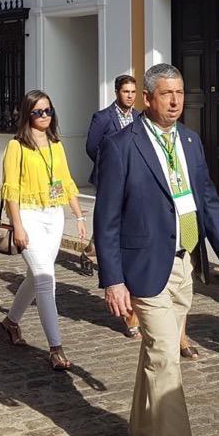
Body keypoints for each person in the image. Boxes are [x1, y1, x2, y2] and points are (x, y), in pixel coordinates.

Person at [93, 63, 219, 436]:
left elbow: (207, 201)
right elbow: (107, 220)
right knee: (167, 361)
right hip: (143, 268)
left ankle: (142, 435)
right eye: (166, 94)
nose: (176, 101)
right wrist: (113, 279)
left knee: (155, 354)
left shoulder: (192, 142)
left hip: (183, 266)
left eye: (179, 92)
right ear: (147, 98)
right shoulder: (122, 147)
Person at [0, 90, 85, 370]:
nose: (44, 116)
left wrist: (79, 215)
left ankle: (11, 321)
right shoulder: (16, 146)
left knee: (35, 278)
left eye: (48, 111)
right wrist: (18, 226)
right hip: (28, 214)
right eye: (37, 112)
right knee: (46, 279)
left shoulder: (56, 143)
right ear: (27, 114)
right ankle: (56, 348)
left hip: (54, 214)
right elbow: (10, 190)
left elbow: (66, 180)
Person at [84, 73, 143, 337]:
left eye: (133, 92)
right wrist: (111, 164)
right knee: (113, 229)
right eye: (126, 92)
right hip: (111, 180)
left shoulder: (139, 117)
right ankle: (129, 315)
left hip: (136, 184)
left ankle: (93, 248)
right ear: (116, 92)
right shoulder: (103, 117)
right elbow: (91, 146)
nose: (130, 96)